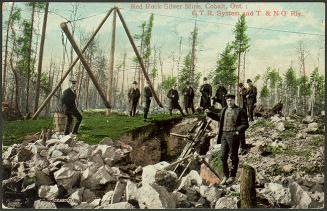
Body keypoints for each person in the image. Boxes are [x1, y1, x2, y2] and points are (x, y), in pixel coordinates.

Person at [205, 93, 249, 185]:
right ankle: (226, 175)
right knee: (223, 157)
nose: (229, 101)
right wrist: (209, 113)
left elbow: (245, 124)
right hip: (224, 135)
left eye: (231, 100)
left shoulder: (240, 111)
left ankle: (232, 176)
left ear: (234, 100)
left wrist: (237, 131)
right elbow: (218, 117)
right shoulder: (223, 110)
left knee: (233, 156)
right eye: (228, 100)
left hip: (233, 136)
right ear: (226, 101)